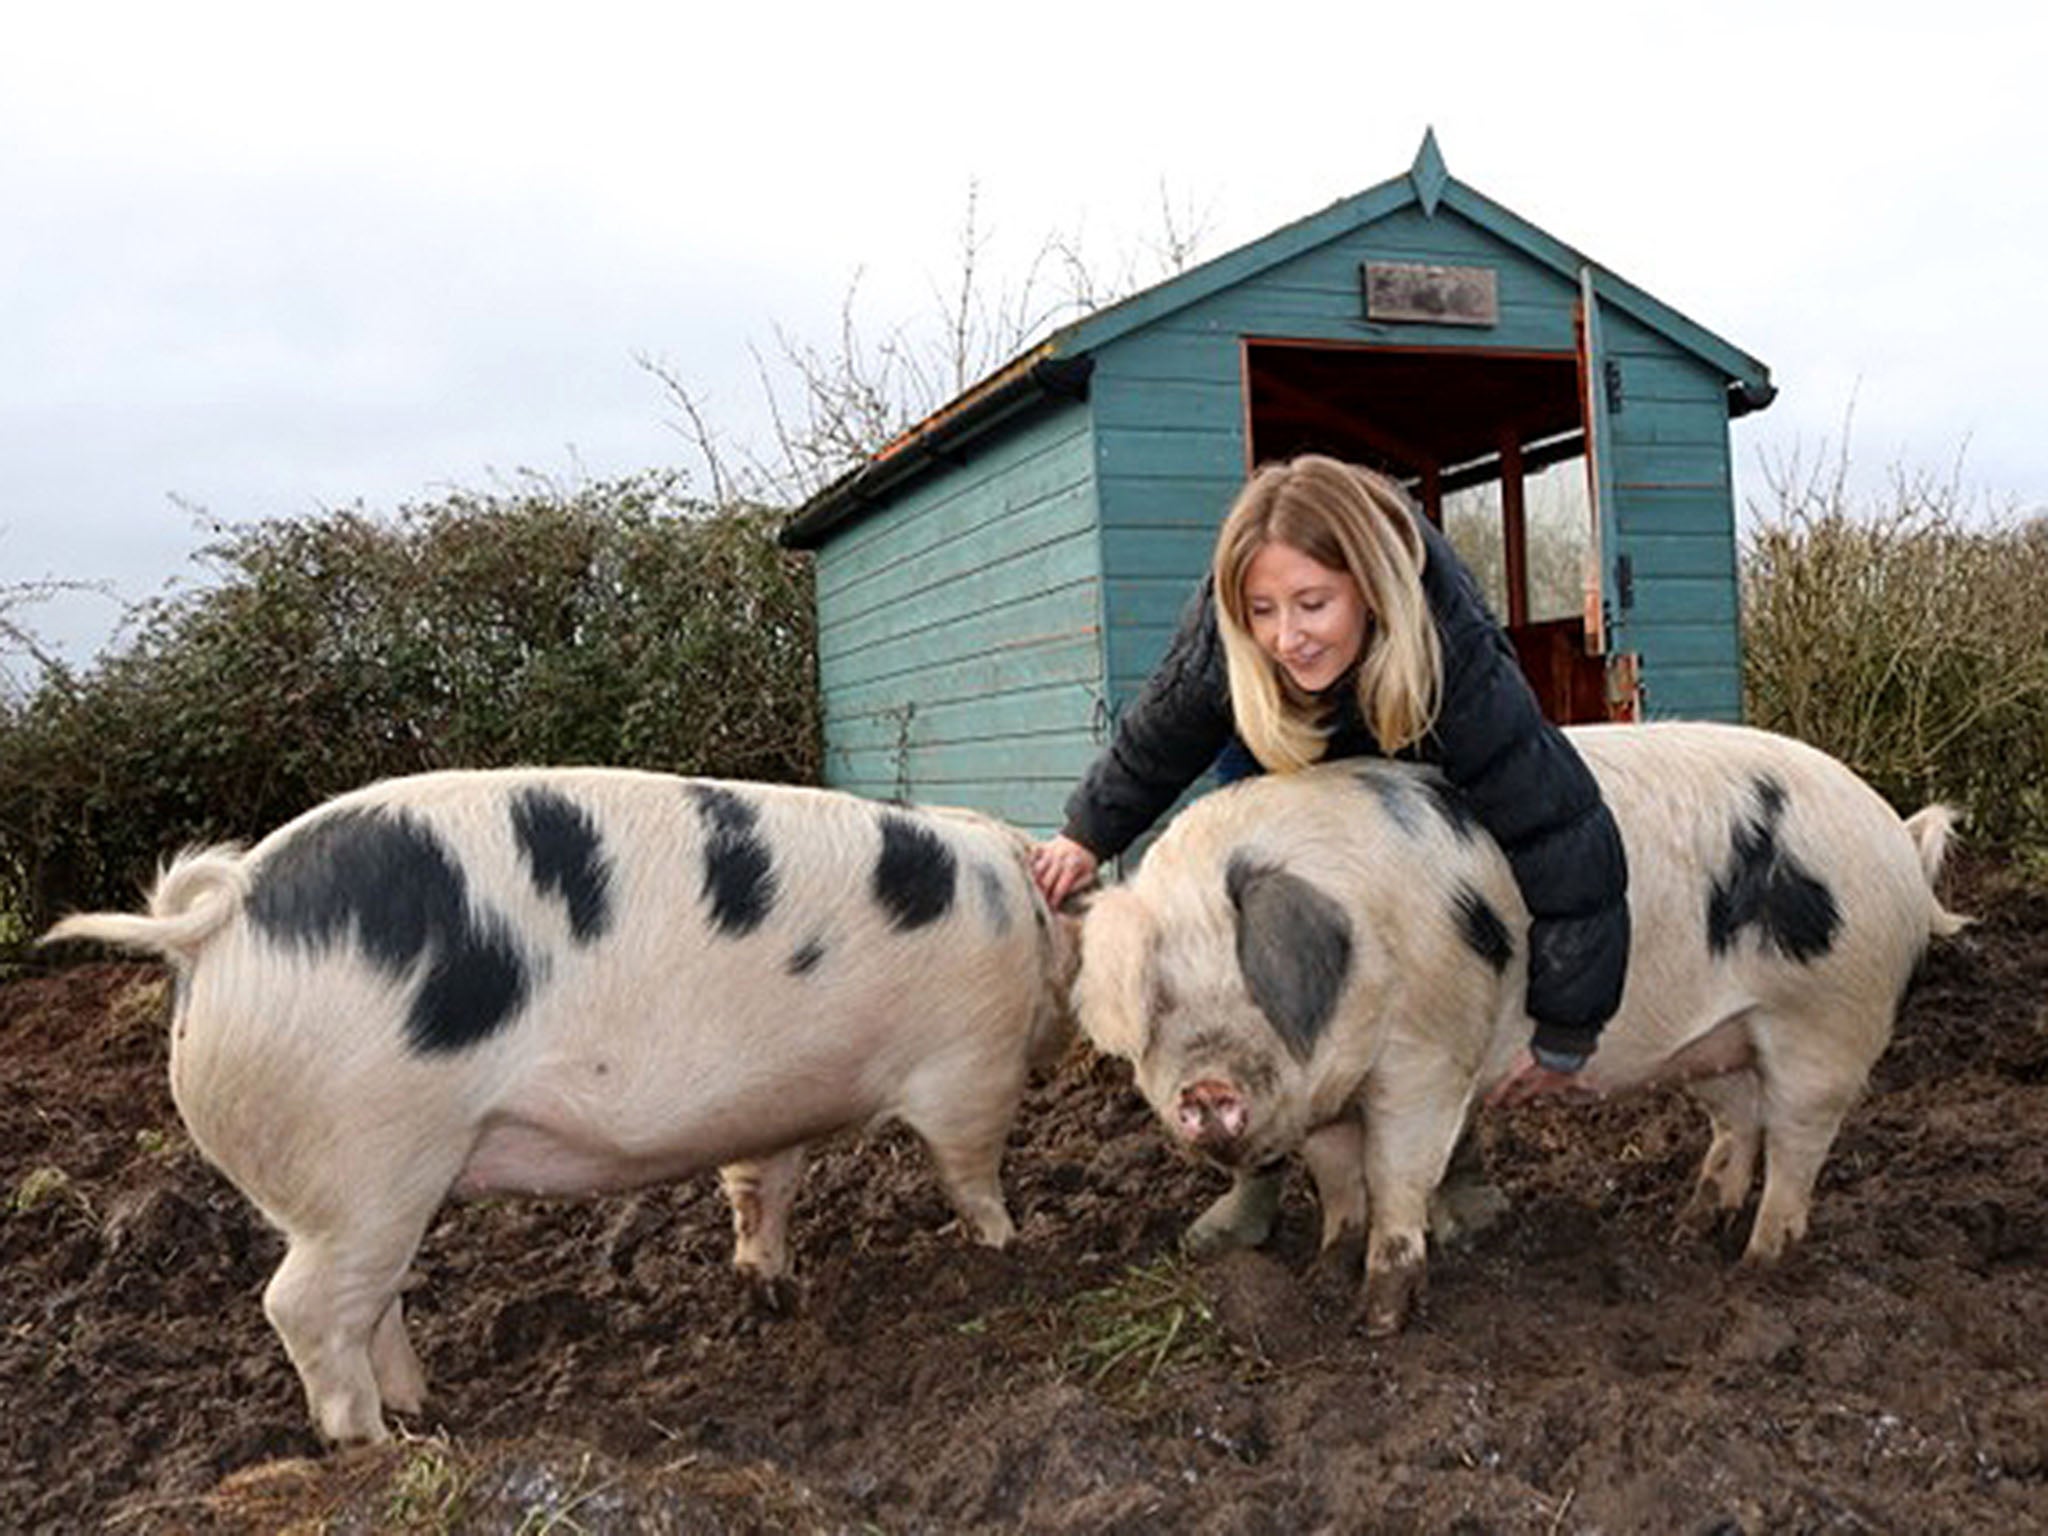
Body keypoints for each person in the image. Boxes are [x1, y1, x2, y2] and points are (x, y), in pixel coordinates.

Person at [1032, 453, 1630, 1109]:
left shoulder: (1452, 657)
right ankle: (1257, 1141)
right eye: (1262, 609)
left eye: (1313, 603)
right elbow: (1156, 743)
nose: (1287, 637)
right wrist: (1085, 834)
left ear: (1369, 589)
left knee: (1419, 929)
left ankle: (1442, 1141)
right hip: (1276, 733)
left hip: (1402, 720)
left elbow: (1560, 829)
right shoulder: (1228, 648)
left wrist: (1569, 1024)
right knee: (1259, 914)